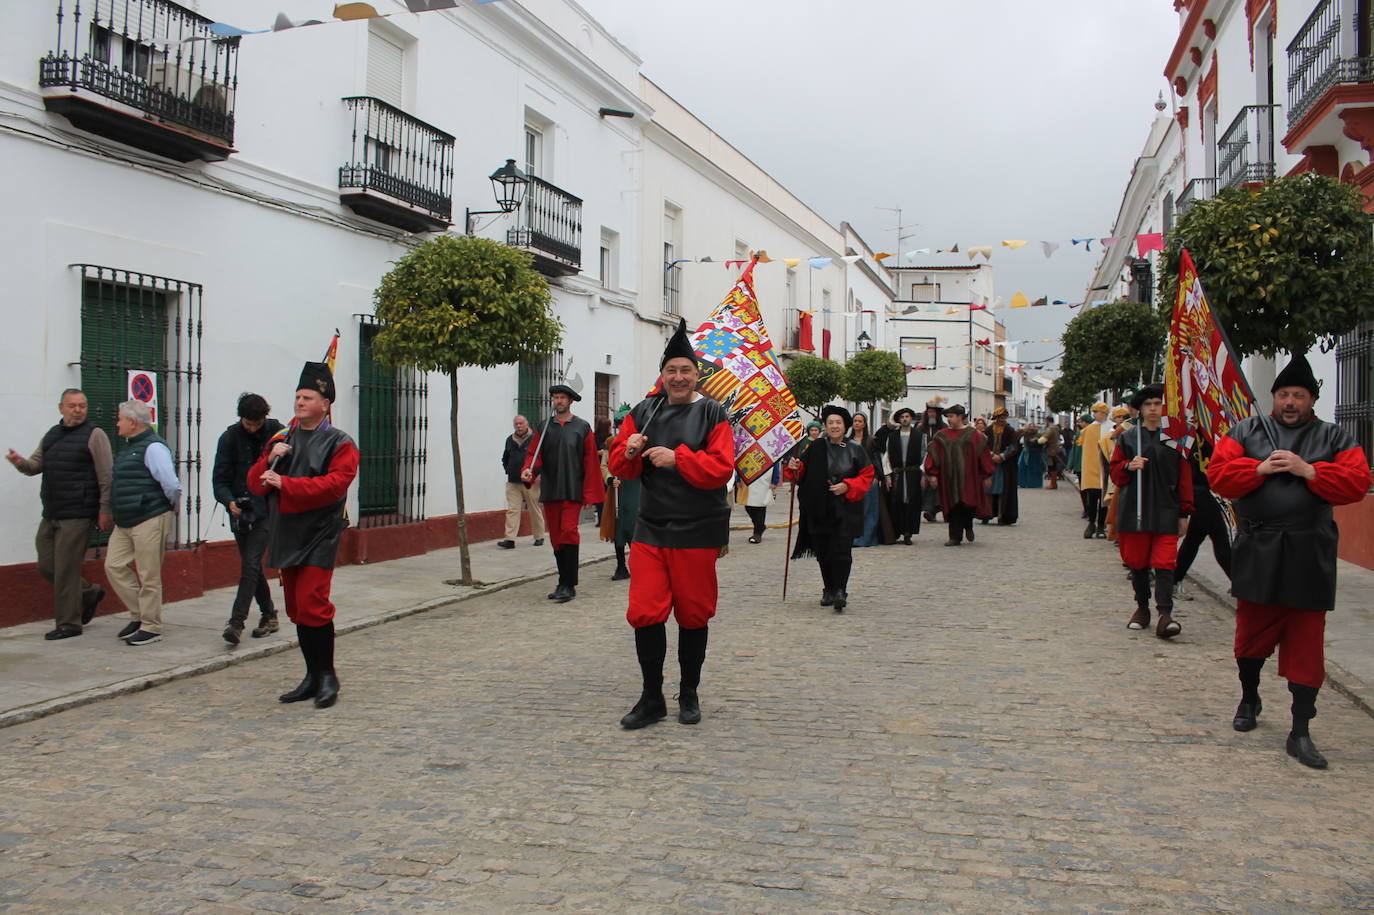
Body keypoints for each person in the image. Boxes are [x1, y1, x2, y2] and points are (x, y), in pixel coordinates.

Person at [1208, 354, 1371, 769]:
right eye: (1284, 394)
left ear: (1311, 400)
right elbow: (1219, 476)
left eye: (1299, 395)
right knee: (1250, 634)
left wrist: (1309, 471)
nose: (1291, 402)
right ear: (1274, 398)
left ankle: (1300, 730)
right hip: (1259, 546)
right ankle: (1249, 696)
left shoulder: (1335, 437)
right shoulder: (1246, 430)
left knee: (1306, 642)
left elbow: (1357, 482)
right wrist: (1259, 468)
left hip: (1308, 550)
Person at [608, 318, 734, 728]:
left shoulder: (714, 412)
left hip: (698, 530)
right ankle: (651, 697)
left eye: (685, 371)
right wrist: (628, 451)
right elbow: (619, 468)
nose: (678, 377)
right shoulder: (643, 412)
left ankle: (690, 692)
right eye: (670, 371)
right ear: (661, 375)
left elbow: (720, 469)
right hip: (651, 529)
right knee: (644, 612)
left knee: (694, 614)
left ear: (697, 375)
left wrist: (677, 458)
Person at [248, 361, 359, 709]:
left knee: (313, 604)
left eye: (307, 397)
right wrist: (269, 461)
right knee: (297, 609)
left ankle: (328, 676)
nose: (299, 402)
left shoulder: (340, 442)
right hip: (286, 532)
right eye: (297, 396)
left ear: (325, 403)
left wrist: (287, 483)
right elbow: (255, 485)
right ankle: (311, 675)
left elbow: (335, 485)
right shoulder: (282, 438)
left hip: (319, 534)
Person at [6, 388, 113, 640]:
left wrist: (105, 510)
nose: (78, 410)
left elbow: (106, 476)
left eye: (82, 406)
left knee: (65, 568)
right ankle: (88, 593)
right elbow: (35, 466)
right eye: (72, 405)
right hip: (52, 511)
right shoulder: (52, 435)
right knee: (47, 565)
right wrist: (19, 462)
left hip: (78, 513)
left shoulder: (95, 434)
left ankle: (69, 623)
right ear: (61, 408)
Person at [1109, 384, 1193, 638]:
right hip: (1135, 508)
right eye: (1148, 404)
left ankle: (1165, 614)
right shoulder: (1128, 438)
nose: (1153, 409)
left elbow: (1185, 478)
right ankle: (1142, 608)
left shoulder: (1177, 438)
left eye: (1158, 403)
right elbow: (1115, 473)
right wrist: (1127, 466)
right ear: (1141, 409)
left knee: (1165, 563)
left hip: (1166, 508)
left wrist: (1185, 512)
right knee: (1138, 563)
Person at [104, 400, 181, 646]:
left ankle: (151, 626)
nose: (117, 423)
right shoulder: (130, 447)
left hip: (149, 516)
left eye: (120, 419)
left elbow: (171, 484)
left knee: (149, 574)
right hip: (126, 519)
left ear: (132, 422)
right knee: (113, 565)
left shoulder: (153, 447)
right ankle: (140, 614)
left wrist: (168, 507)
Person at [785, 404, 874, 612]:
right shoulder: (815, 447)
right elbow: (801, 474)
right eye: (831, 423)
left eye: (838, 423)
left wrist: (848, 486)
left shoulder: (856, 449)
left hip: (845, 508)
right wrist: (794, 468)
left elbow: (867, 476)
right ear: (825, 426)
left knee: (842, 551)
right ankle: (829, 588)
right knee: (823, 551)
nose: (834, 426)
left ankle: (841, 590)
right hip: (819, 508)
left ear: (845, 426)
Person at [521, 385, 606, 603]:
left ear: (570, 401)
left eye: (561, 398)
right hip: (551, 489)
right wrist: (528, 470)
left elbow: (590, 462)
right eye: (555, 397)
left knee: (569, 532)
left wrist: (589, 494)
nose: (558, 401)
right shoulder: (544, 427)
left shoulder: (582, 428)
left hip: (572, 489)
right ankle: (562, 581)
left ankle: (570, 584)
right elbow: (534, 454)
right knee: (557, 538)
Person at [212, 393, 284, 644]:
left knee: (251, 563)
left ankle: (236, 622)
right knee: (251, 567)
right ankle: (269, 615)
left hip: (266, 509)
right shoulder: (230, 437)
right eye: (248, 422)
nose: (253, 427)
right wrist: (229, 501)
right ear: (241, 417)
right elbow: (219, 479)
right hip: (240, 510)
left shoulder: (276, 432)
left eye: (257, 423)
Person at [923, 404, 993, 546]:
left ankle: (968, 526)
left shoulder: (975, 436)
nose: (949, 419)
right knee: (952, 506)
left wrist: (987, 475)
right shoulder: (941, 436)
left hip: (969, 478)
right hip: (948, 479)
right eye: (947, 417)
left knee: (968, 504)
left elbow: (983, 455)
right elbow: (933, 455)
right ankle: (955, 536)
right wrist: (932, 474)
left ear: (960, 417)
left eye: (951, 416)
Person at [1173, 441, 1232, 600]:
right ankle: (1241, 584)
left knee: (1193, 540)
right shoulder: (1194, 438)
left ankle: (1174, 580)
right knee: (1220, 538)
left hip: (1204, 491)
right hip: (1202, 492)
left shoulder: (1206, 436)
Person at [875, 406, 923, 544]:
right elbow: (887, 457)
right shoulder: (893, 436)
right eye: (902, 417)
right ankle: (897, 530)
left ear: (911, 418)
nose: (904, 419)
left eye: (907, 417)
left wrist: (922, 474)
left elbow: (923, 455)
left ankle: (908, 532)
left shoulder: (919, 436)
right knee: (896, 502)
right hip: (897, 473)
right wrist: (888, 476)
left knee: (911, 502)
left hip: (912, 473)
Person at [602, 404, 640, 579]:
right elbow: (605, 465)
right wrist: (610, 478)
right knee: (618, 527)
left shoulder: (640, 441)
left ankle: (637, 564)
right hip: (617, 489)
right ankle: (620, 566)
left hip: (635, 488)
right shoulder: (611, 443)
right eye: (618, 424)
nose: (620, 427)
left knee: (633, 525)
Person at [498, 414, 545, 550]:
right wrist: (508, 470)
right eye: (516, 424)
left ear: (527, 424)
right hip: (513, 481)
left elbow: (542, 458)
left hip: (531, 480)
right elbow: (505, 457)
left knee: (534, 508)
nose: (518, 426)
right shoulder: (509, 440)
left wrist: (539, 475)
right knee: (513, 510)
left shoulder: (535, 439)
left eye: (521, 423)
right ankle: (510, 539)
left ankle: (539, 536)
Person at [848, 412, 885, 547]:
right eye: (855, 421)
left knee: (869, 510)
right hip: (852, 480)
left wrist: (876, 477)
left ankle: (866, 538)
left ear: (864, 424)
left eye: (860, 421)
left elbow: (876, 461)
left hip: (869, 480)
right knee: (853, 510)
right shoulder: (847, 441)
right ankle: (853, 537)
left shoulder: (871, 441)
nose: (857, 423)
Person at [1078, 402, 1112, 538]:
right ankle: (1091, 523)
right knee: (1092, 497)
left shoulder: (1111, 428)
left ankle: (1101, 526)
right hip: (1091, 468)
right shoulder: (1088, 430)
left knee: (1104, 499)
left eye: (1097, 412)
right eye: (1094, 412)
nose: (1094, 414)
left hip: (1105, 469)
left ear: (1104, 413)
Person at [984, 406, 1020, 525]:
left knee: (1002, 491)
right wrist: (991, 455)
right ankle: (986, 513)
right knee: (988, 490)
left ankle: (1002, 515)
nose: (1002, 420)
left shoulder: (1011, 432)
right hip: (990, 465)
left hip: (1005, 467)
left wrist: (1002, 456)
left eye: (1004, 417)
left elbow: (1014, 447)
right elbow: (984, 445)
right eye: (1000, 417)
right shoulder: (988, 431)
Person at [916, 399, 947, 521]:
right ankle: (929, 509)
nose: (931, 414)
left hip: (938, 461)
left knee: (936, 486)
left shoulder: (943, 428)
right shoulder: (920, 427)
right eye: (929, 411)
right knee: (925, 485)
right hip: (923, 460)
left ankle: (932, 510)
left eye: (934, 412)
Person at [742, 461, 780, 544]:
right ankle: (760, 526)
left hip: (764, 481)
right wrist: (738, 479)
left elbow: (775, 464)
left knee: (760, 507)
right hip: (749, 479)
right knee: (748, 506)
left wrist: (774, 481)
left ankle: (757, 533)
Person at [1018, 423, 1045, 488]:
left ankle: (1034, 484)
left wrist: (1035, 440)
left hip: (1036, 453)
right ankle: (1023, 483)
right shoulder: (1025, 434)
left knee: (1035, 469)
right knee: (1022, 467)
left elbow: (1041, 443)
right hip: (1027, 452)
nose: (1032, 427)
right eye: (1030, 426)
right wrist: (1032, 441)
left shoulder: (1038, 435)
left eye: (1033, 426)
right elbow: (1025, 442)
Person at [1044, 420, 1063, 489]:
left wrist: (1039, 440)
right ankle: (1054, 483)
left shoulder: (1050, 428)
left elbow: (1045, 436)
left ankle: (1053, 484)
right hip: (1055, 448)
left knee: (1051, 466)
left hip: (1051, 449)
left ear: (1047, 421)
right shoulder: (1056, 428)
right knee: (1054, 466)